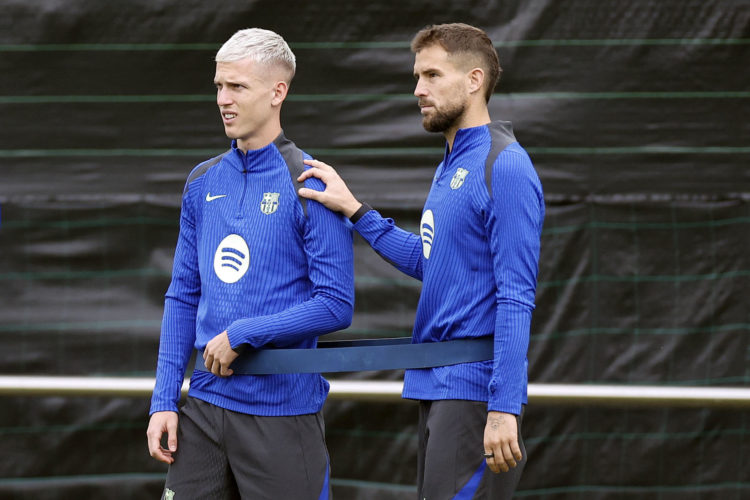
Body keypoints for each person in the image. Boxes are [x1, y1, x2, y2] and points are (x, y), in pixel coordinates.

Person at [298, 23, 544, 499]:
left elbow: (517, 296)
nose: (418, 89)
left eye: (432, 75)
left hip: (473, 395)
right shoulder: (451, 163)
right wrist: (356, 210)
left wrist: (503, 407)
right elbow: (434, 262)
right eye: (417, 76)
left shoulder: (505, 165)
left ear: (474, 80)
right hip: (437, 390)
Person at [146, 28, 354, 500]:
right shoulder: (202, 181)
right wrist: (163, 400)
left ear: (277, 92)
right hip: (203, 408)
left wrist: (245, 332)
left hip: (282, 415)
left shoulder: (313, 183)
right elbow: (182, 295)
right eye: (219, 86)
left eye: (237, 87)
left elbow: (336, 305)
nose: (223, 99)